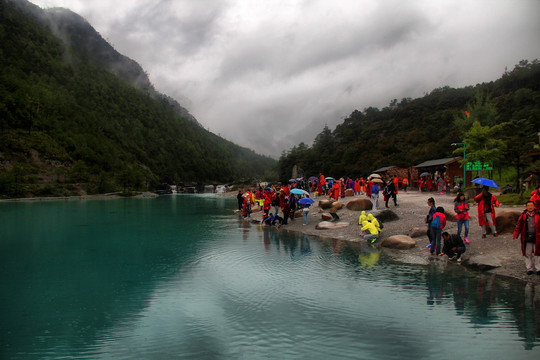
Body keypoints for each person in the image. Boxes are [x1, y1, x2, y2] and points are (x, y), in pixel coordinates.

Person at [512, 201, 540, 275]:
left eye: (531, 205)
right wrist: (516, 234)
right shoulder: (523, 215)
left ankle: (538, 269)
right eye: (528, 205)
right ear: (526, 207)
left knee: (538, 253)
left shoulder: (538, 214)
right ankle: (529, 268)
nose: (530, 207)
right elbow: (518, 225)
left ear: (534, 207)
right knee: (528, 253)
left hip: (537, 236)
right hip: (527, 237)